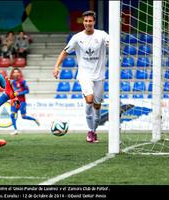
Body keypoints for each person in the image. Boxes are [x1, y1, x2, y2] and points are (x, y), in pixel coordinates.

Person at [53, 11, 109, 143]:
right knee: (89, 99)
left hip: (99, 76)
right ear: (83, 22)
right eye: (86, 21)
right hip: (84, 75)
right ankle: (90, 132)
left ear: (94, 22)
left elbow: (111, 44)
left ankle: (94, 131)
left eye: (90, 21)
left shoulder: (102, 35)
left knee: (97, 105)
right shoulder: (77, 38)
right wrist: (56, 66)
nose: (88, 23)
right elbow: (65, 52)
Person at [9, 67, 40, 136]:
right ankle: (15, 130)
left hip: (22, 101)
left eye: (17, 72)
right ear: (12, 74)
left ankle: (34, 119)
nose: (15, 73)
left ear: (19, 73)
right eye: (14, 72)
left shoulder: (22, 81)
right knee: (12, 115)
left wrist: (19, 93)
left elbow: (27, 91)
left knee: (23, 116)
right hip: (14, 101)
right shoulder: (12, 82)